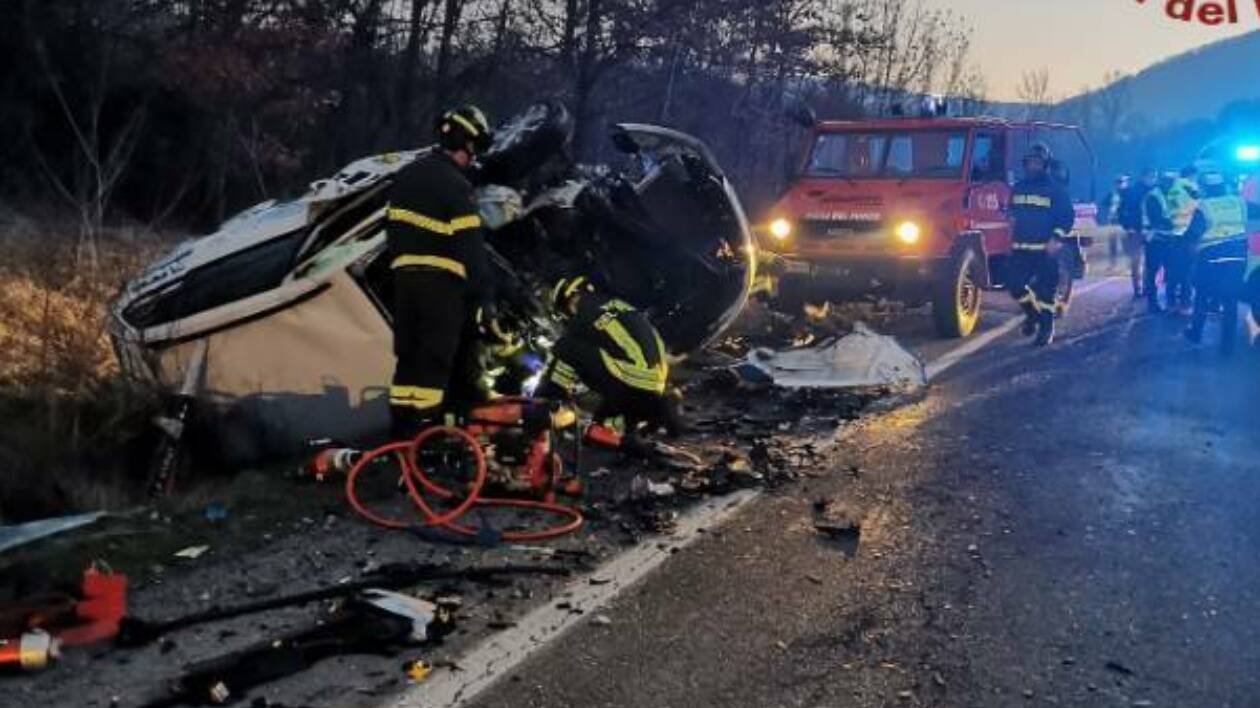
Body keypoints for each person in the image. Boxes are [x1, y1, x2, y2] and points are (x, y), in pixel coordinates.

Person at [385, 104, 507, 439]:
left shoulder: (407, 176)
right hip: (440, 286)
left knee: (408, 363)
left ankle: (401, 438)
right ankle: (426, 439)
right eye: (475, 149)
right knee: (435, 363)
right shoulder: (456, 185)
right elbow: (471, 250)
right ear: (467, 143)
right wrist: (485, 299)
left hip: (404, 284)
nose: (474, 158)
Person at [535, 275, 681, 435]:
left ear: (570, 300)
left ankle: (544, 404)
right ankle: (654, 414)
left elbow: (568, 352)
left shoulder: (583, 314)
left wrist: (548, 388)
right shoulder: (616, 304)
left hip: (632, 379)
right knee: (600, 427)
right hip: (654, 381)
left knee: (564, 347)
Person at [1007, 142, 1076, 347]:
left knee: (1046, 293)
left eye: (1037, 163)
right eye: (1030, 162)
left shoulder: (1055, 190)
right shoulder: (1018, 187)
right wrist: (1010, 219)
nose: (1033, 166)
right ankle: (1032, 314)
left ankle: (1046, 329)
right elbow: (1012, 211)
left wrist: (1056, 238)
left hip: (1045, 251)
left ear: (1045, 165)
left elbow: (1066, 217)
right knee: (1015, 286)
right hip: (1021, 248)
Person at [1183, 168, 1249, 354]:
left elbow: (1192, 234)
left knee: (1202, 294)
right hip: (1237, 255)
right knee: (1230, 300)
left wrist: (1188, 248)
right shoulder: (1239, 202)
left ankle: (1196, 333)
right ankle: (1227, 346)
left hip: (1211, 257)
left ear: (1205, 188)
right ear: (1223, 186)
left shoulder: (1205, 207)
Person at [1165, 165, 1201, 312]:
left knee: (1174, 270)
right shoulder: (1189, 186)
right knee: (1187, 271)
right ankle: (1185, 303)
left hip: (1173, 233)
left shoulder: (1173, 188)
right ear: (1192, 175)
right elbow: (1200, 205)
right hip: (1188, 233)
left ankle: (1170, 302)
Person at [1142, 172, 1177, 313]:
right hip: (1155, 239)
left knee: (1172, 272)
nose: (1172, 185)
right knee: (1153, 273)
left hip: (1169, 239)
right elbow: (1157, 219)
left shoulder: (1172, 195)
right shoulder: (1154, 196)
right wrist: (1176, 222)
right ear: (1163, 182)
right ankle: (1153, 304)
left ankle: (1170, 302)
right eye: (1169, 182)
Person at [1118, 169, 1154, 298]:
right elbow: (1122, 210)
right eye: (1151, 177)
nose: (1152, 180)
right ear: (1144, 177)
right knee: (1137, 261)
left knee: (1147, 262)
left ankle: (1144, 287)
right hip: (1137, 231)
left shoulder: (1153, 191)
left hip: (1148, 231)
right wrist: (1128, 226)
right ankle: (1138, 288)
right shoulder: (1133, 192)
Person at [1100, 175, 1129, 269]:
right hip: (1113, 221)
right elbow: (1104, 204)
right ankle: (1113, 263)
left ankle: (1128, 263)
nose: (1120, 184)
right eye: (1119, 182)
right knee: (1113, 243)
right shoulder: (1112, 194)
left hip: (1124, 222)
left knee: (1126, 243)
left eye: (1122, 182)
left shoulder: (1129, 194)